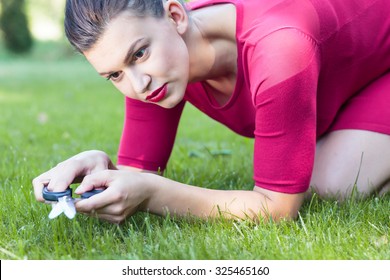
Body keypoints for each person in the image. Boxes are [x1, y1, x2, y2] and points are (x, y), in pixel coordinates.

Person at [33, 0, 390, 224]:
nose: (137, 84)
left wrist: (154, 194)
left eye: (138, 54)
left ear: (175, 16)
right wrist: (99, 167)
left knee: (332, 186)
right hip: (346, 76)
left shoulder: (279, 48)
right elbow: (136, 173)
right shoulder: (158, 71)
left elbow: (278, 208)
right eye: (114, 75)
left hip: (382, 68)